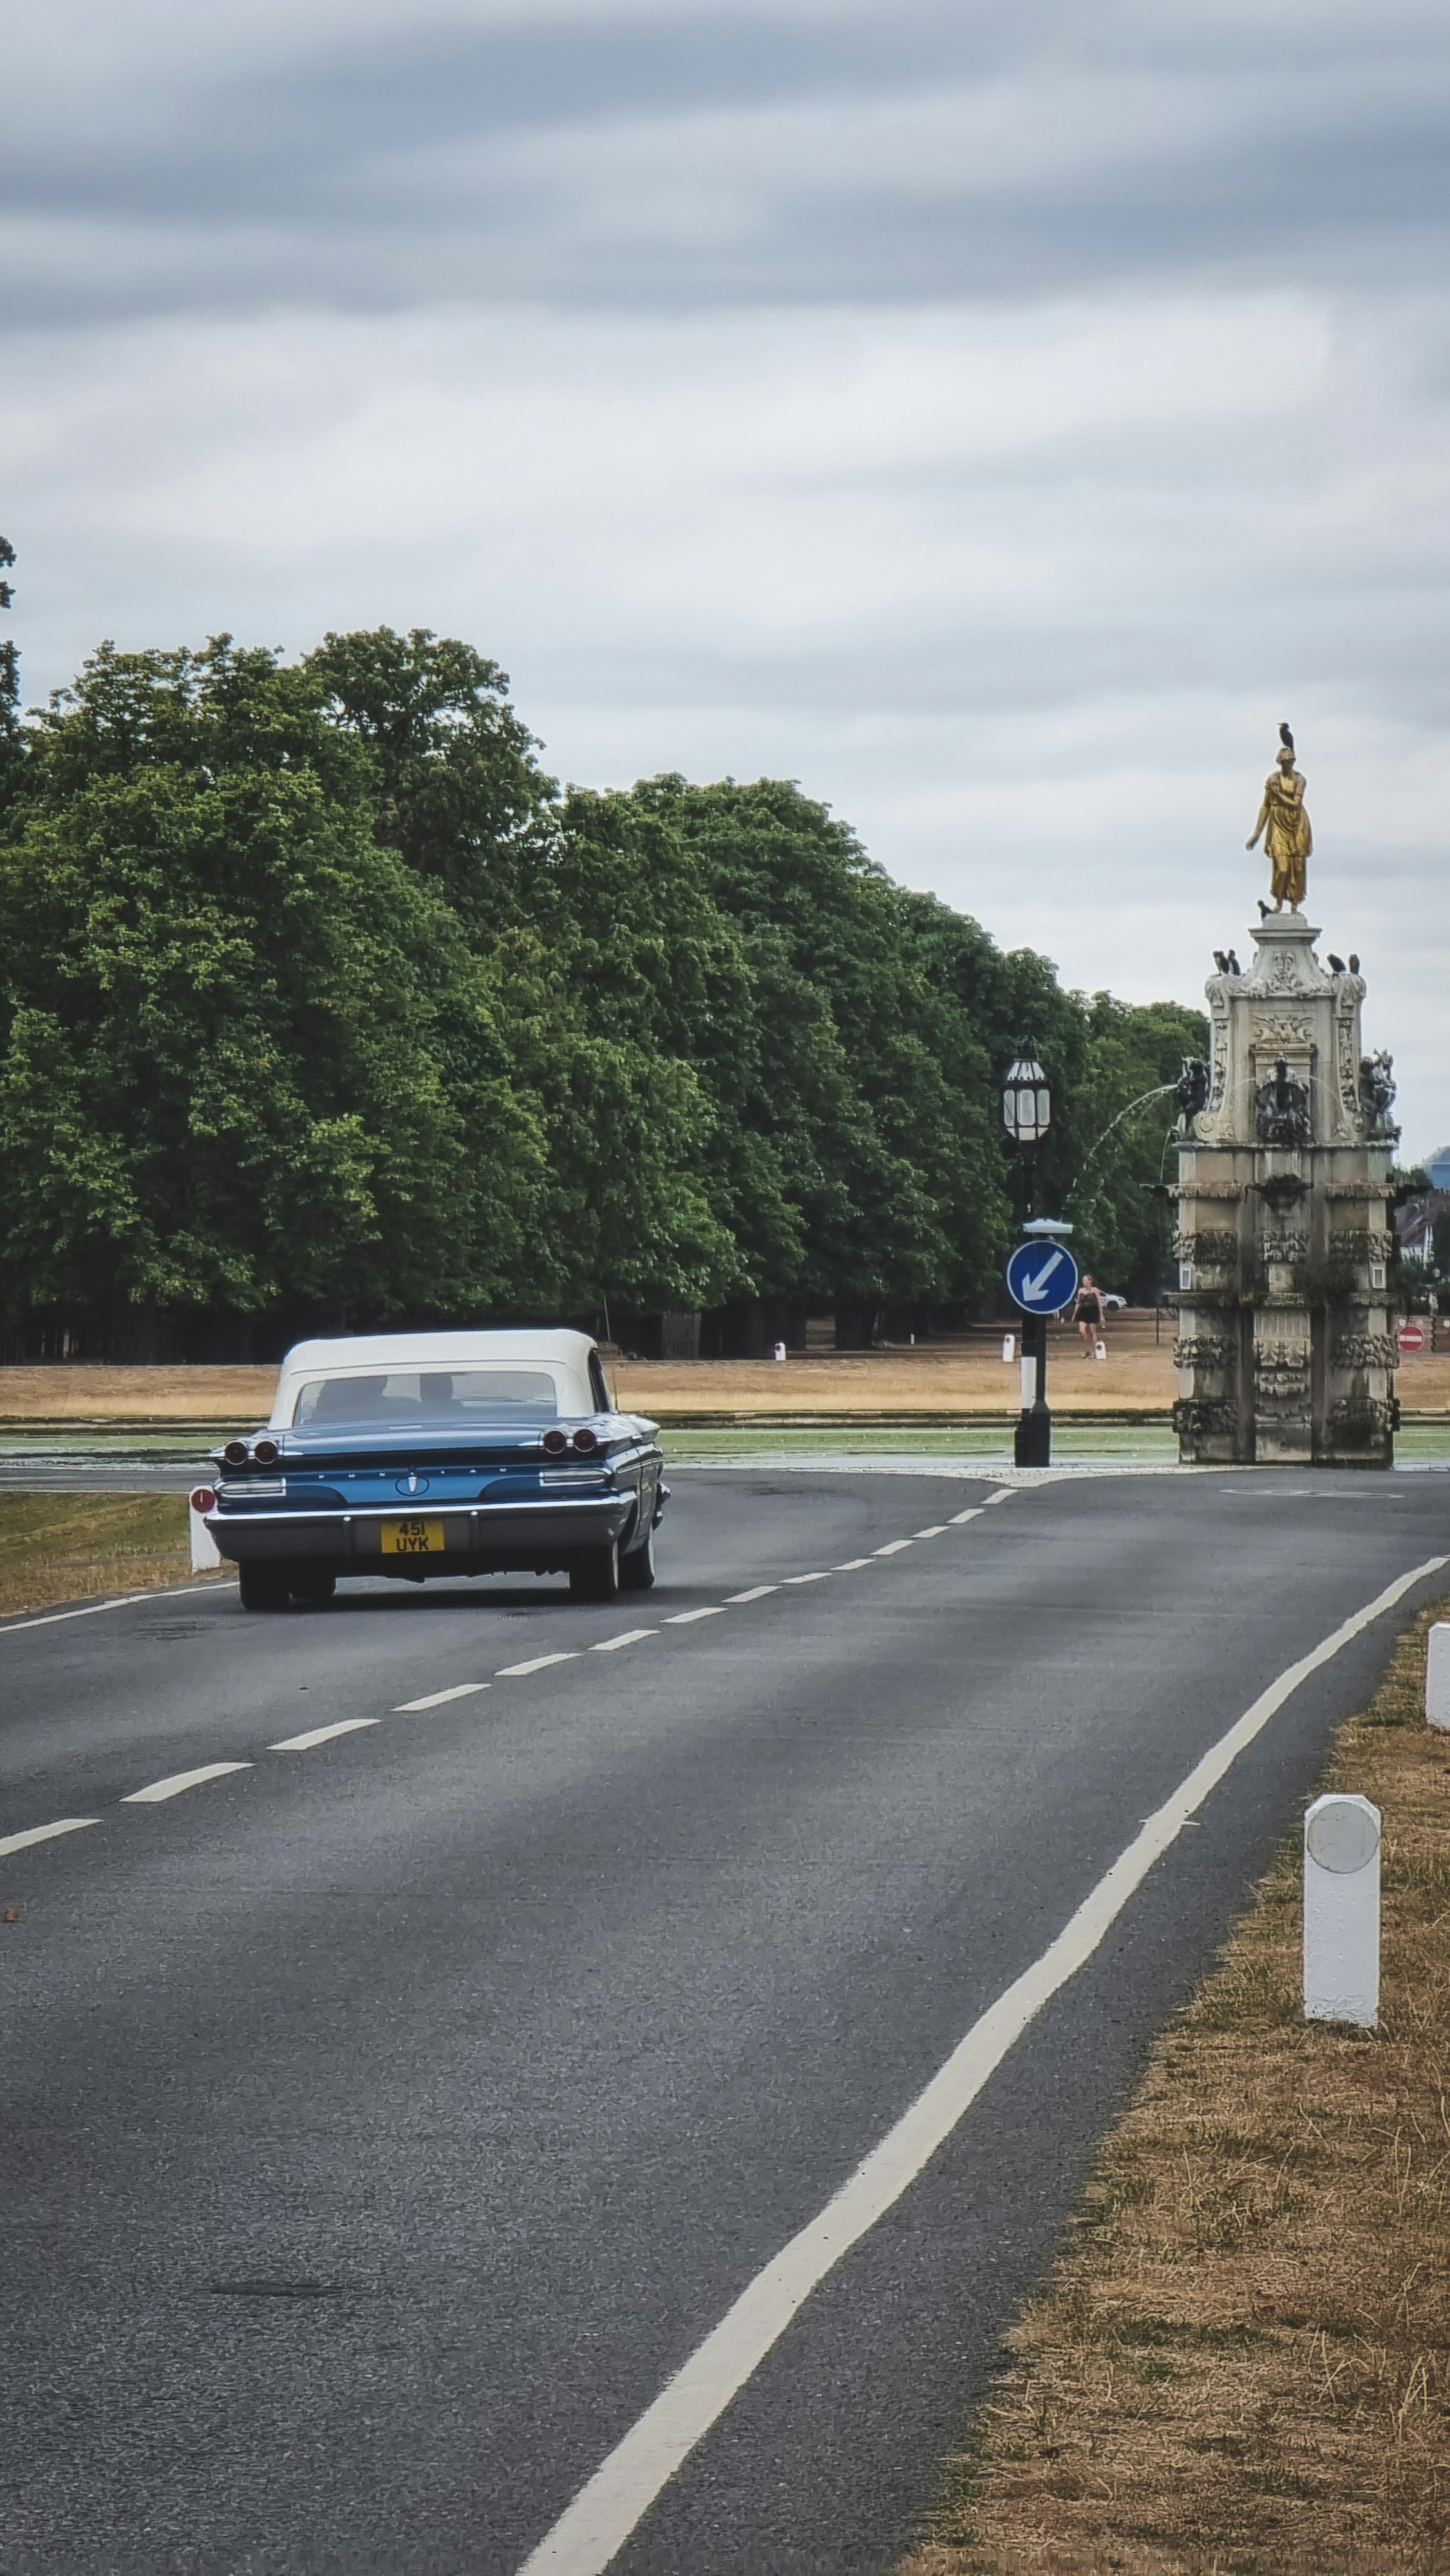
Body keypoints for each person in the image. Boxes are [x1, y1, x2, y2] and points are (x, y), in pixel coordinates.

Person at [1073, 1274, 1105, 1359]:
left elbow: (1099, 1303)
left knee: (1092, 1332)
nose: (1084, 1282)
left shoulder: (1095, 1290)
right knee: (1082, 1331)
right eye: (1083, 1280)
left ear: (1090, 1281)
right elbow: (1078, 1303)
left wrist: (1101, 1315)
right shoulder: (1080, 1291)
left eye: (1085, 1280)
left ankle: (1094, 1352)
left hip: (1093, 1312)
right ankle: (1089, 1350)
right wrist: (1074, 1315)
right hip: (1083, 1313)